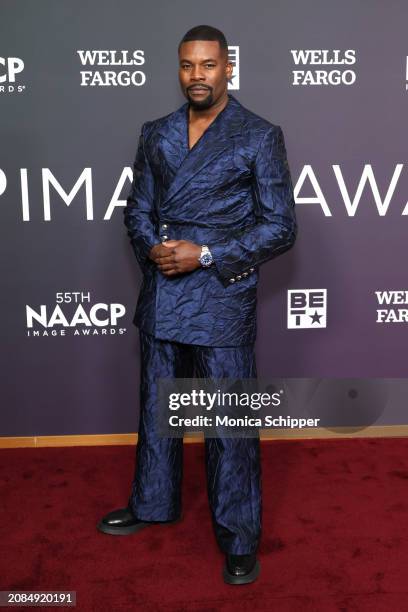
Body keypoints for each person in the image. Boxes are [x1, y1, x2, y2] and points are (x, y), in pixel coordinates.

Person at [97, 24, 297, 585]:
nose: (197, 76)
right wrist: (155, 251)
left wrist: (205, 254)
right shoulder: (156, 132)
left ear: (228, 68)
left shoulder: (259, 135)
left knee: (229, 425)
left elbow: (281, 226)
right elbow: (138, 207)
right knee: (158, 409)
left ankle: (238, 536)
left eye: (208, 65)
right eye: (188, 66)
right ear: (179, 69)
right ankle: (153, 503)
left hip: (222, 295)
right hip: (164, 287)